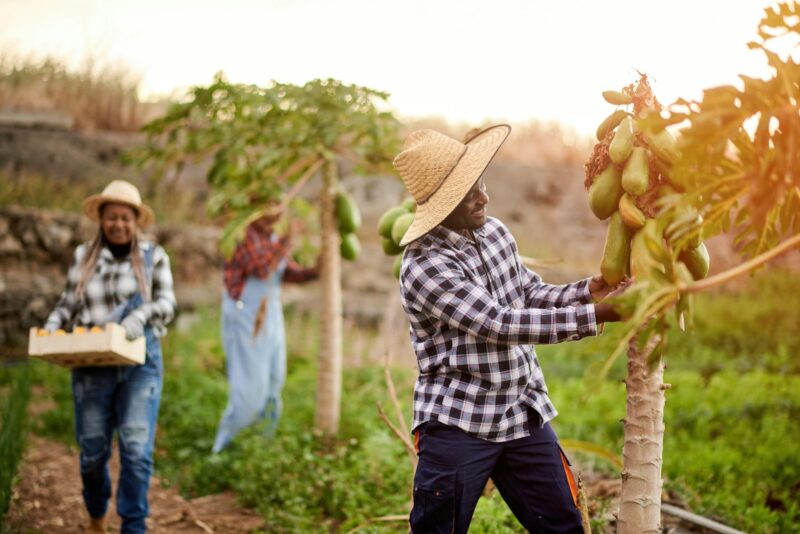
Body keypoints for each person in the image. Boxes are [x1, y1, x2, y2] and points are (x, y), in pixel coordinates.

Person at [393, 125, 629, 534]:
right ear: (441, 205)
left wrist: (588, 292)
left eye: (480, 185)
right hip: (459, 422)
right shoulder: (425, 266)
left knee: (563, 525)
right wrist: (601, 315)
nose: (484, 198)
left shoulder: (495, 232)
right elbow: (498, 323)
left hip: (521, 412)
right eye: (469, 195)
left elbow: (528, 292)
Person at [43, 180, 176, 533]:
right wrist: (53, 326)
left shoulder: (154, 257)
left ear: (136, 222)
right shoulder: (83, 256)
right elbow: (68, 303)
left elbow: (167, 303)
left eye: (126, 218)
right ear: (101, 219)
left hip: (139, 363)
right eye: (112, 217)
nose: (119, 224)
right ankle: (96, 514)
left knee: (135, 449)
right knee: (91, 452)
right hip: (92, 364)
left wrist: (140, 315)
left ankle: (133, 526)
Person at [212, 207, 319, 453]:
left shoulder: (270, 237)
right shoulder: (244, 234)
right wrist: (289, 238)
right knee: (250, 390)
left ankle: (259, 447)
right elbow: (262, 268)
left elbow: (286, 271)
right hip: (246, 315)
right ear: (256, 206)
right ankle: (225, 451)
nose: (280, 211)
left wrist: (314, 271)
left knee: (273, 381)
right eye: (272, 205)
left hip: (270, 313)